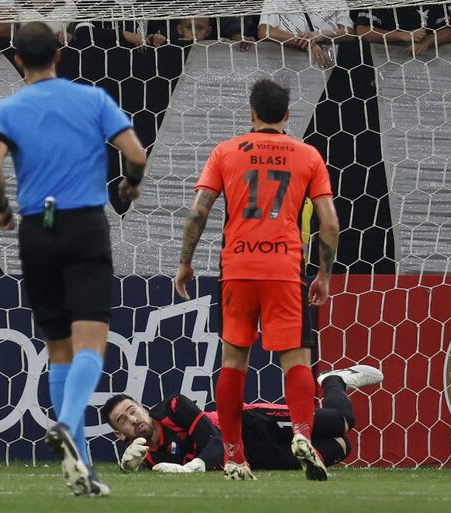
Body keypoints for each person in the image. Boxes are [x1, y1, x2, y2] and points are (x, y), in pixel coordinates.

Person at [0, 21, 147, 496]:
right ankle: (70, 424)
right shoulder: (91, 100)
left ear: (16, 60)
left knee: (58, 349)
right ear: (61, 52)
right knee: (92, 343)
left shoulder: (4, 110)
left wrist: (2, 208)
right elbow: (136, 152)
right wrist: (131, 183)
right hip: (85, 225)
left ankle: (83, 471)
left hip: (38, 230)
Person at [173, 78, 340, 481]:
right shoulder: (308, 156)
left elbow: (199, 211)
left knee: (233, 361)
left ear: (251, 113)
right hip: (285, 270)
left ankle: (233, 456)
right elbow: (330, 222)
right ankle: (302, 433)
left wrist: (185, 262)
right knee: (296, 358)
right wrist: (323, 274)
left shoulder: (226, 152)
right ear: (287, 115)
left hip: (237, 269)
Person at [104, 365, 383, 473]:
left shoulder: (173, 407)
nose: (133, 419)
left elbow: (214, 440)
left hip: (254, 425)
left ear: (143, 406)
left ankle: (332, 380)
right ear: (121, 434)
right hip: (259, 459)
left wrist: (193, 467)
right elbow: (136, 472)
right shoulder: (145, 459)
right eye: (123, 421)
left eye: (133, 409)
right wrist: (126, 467)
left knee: (343, 420)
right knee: (343, 446)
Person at [258, 0, 355, 68]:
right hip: (288, 66)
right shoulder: (274, 1)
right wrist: (306, 42)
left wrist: (320, 35)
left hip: (333, 68)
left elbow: (349, 32)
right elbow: (264, 31)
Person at [355, 4, 451, 56]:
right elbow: (362, 31)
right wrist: (402, 35)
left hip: (432, 65)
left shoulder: (431, 2)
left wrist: (428, 41)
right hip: (385, 63)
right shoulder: (380, 2)